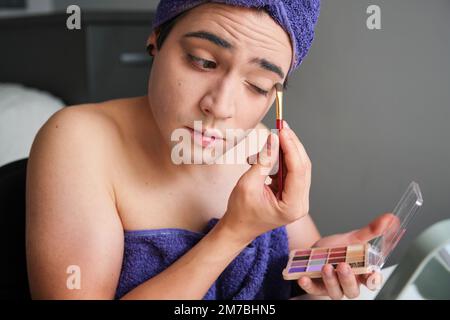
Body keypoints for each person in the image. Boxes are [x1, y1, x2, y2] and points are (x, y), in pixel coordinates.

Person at [26, 0, 388, 300]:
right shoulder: (78, 140)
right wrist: (232, 234)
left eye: (258, 85)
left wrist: (327, 264)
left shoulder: (260, 145)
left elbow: (296, 268)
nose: (221, 105)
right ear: (157, 40)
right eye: (203, 61)